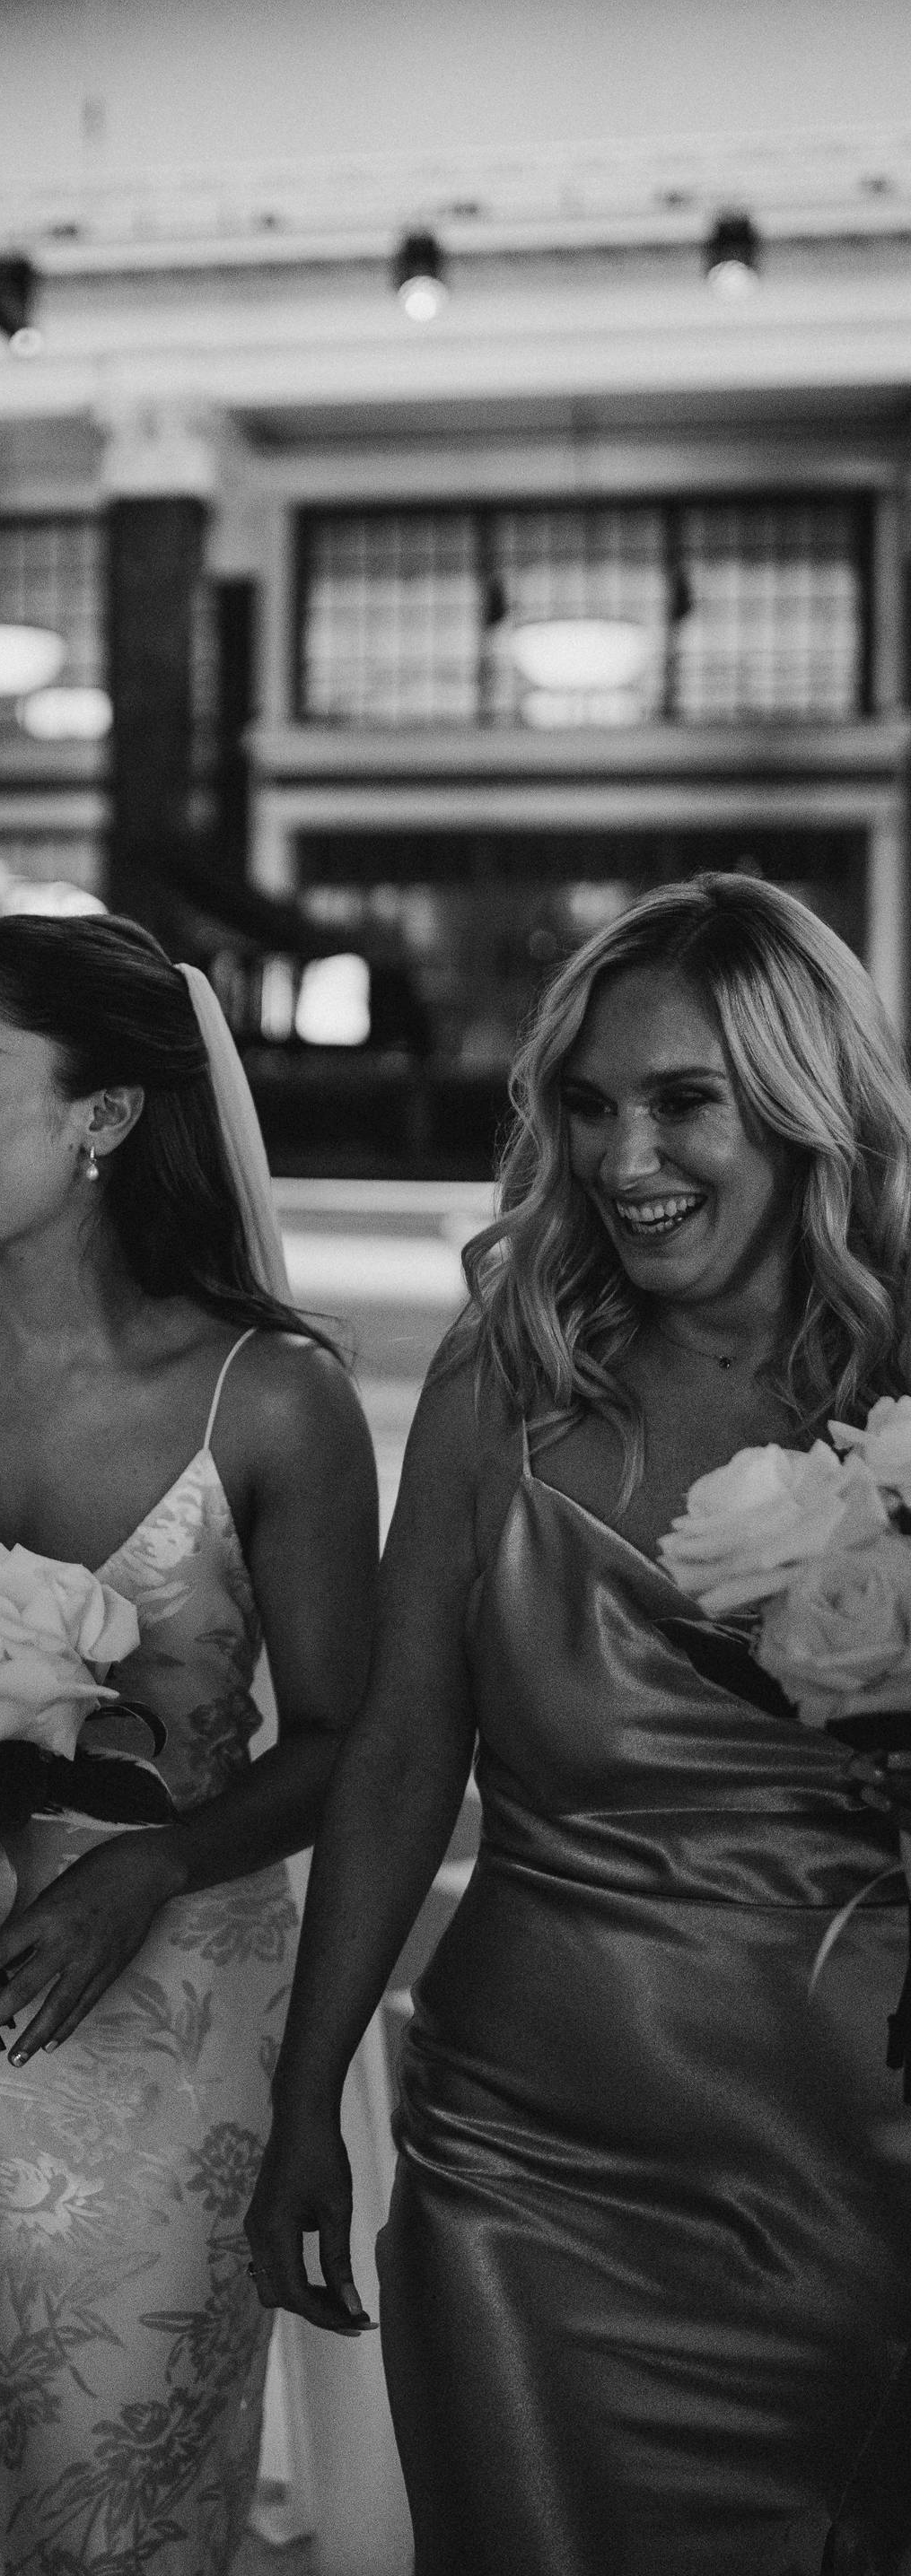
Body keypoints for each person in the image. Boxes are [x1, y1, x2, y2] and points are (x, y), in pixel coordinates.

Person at [246, 875, 911, 2576]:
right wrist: (308, 2093)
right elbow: (400, 1750)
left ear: (803, 1106)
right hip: (531, 2164)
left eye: (684, 1102)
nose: (626, 1161)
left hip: (865, 2169)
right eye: (589, 1106)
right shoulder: (508, 1370)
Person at [0, 912, 379, 2575]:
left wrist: (155, 1867)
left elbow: (351, 1739)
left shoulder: (272, 1400)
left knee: (132, 2504)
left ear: (106, 1113)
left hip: (172, 2038)